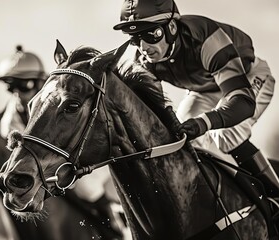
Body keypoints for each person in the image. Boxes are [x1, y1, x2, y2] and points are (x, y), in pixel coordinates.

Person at [113, 0, 278, 196]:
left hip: (247, 79)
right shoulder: (143, 62)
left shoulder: (205, 38)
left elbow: (243, 102)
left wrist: (204, 122)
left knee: (226, 134)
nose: (143, 47)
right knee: (181, 143)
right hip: (203, 90)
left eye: (151, 34)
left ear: (172, 27)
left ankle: (275, 196)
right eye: (134, 38)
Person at [0, 45, 128, 237]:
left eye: (23, 85)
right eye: (11, 86)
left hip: (77, 158)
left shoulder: (52, 98)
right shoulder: (10, 118)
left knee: (87, 187)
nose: (17, 92)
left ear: (38, 81)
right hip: (49, 166)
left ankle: (112, 226)